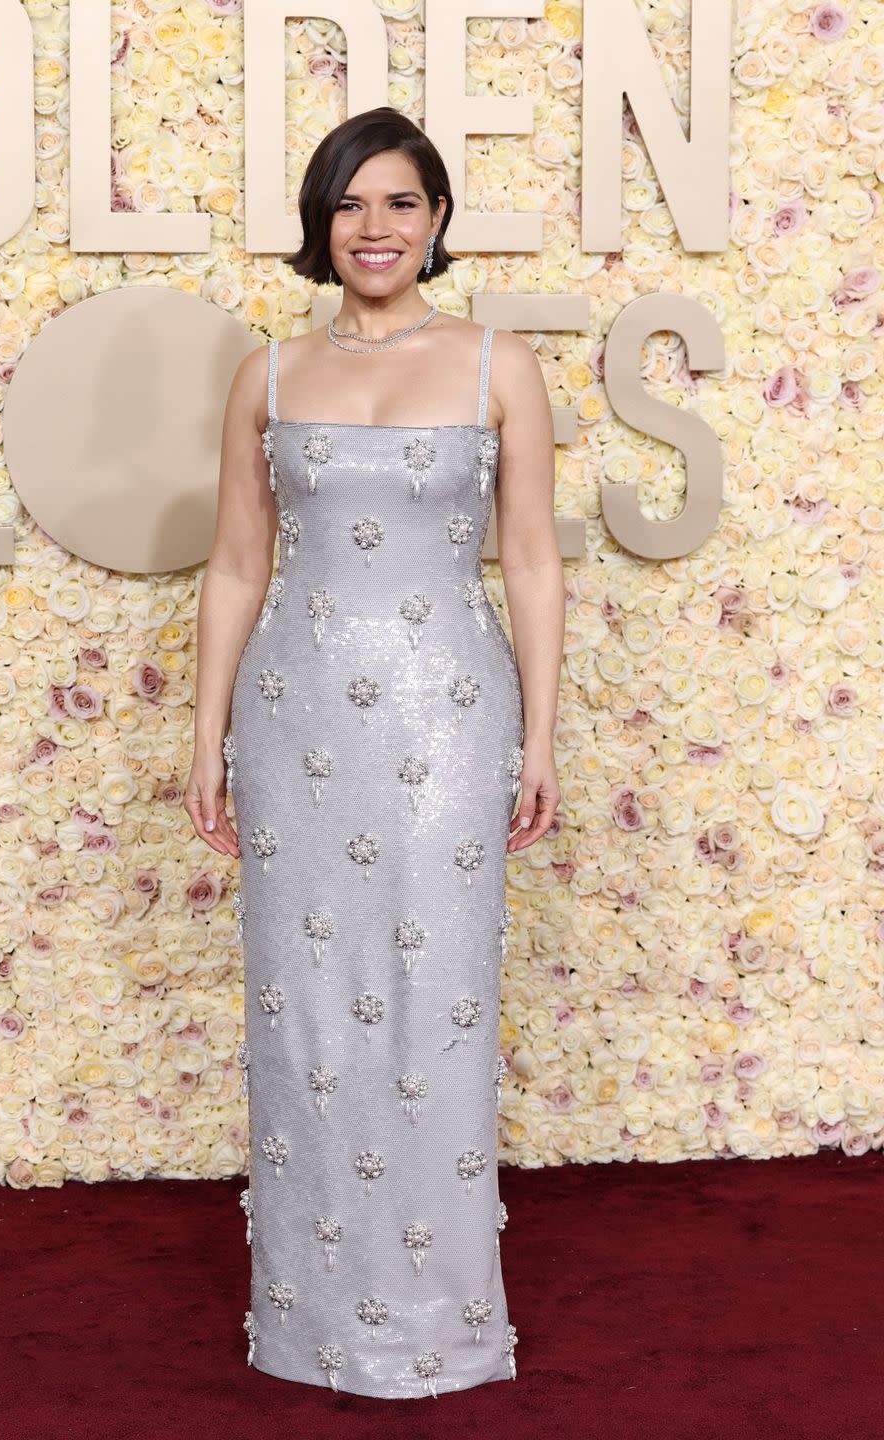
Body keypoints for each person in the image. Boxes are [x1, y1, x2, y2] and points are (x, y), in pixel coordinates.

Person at [185, 106, 564, 1399]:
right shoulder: (270, 376)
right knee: (305, 1008)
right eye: (350, 205)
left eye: (399, 203)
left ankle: (441, 1326)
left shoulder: (494, 365)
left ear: (439, 220)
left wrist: (539, 734)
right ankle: (310, 1321)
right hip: (297, 720)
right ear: (319, 224)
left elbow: (531, 557)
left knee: (435, 1005)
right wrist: (208, 737)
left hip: (450, 719)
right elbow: (238, 565)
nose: (375, 228)